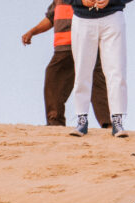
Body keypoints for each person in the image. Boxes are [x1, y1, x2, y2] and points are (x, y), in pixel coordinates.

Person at [22, 0, 111, 128]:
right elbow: (50, 19)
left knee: (96, 82)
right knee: (53, 79)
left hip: (86, 43)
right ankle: (55, 123)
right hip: (63, 47)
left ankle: (108, 122)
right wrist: (32, 31)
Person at [69, 0, 132, 138]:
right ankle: (82, 119)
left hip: (113, 17)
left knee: (116, 70)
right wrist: (81, 1)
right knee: (81, 71)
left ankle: (117, 120)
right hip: (82, 18)